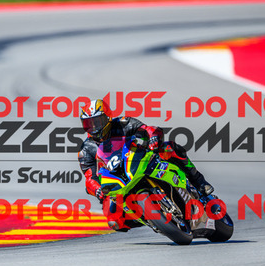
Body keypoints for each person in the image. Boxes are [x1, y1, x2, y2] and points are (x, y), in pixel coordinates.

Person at [78, 99, 214, 231]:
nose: (94, 128)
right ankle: (150, 219)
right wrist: (97, 189)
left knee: (169, 148)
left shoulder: (123, 123)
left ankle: (199, 182)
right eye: (89, 124)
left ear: (107, 117)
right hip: (117, 180)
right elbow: (90, 177)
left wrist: (153, 137)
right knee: (114, 221)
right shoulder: (86, 149)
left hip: (138, 161)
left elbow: (146, 129)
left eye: (97, 122)